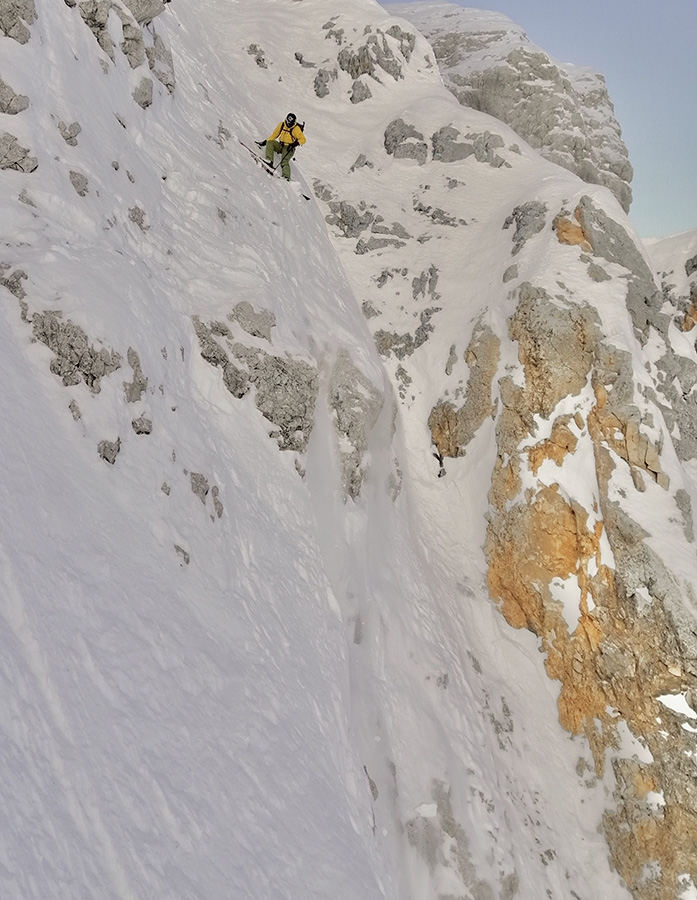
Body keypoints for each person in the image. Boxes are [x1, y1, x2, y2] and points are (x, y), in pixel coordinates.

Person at [256, 113, 306, 181]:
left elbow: (303, 139)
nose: (288, 124)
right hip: (281, 145)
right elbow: (274, 135)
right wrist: (265, 141)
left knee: (284, 160)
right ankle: (269, 160)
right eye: (287, 122)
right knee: (270, 143)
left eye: (290, 123)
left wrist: (294, 144)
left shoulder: (296, 129)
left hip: (289, 148)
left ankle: (286, 176)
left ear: (293, 123)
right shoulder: (282, 125)